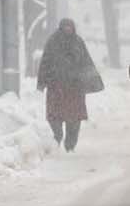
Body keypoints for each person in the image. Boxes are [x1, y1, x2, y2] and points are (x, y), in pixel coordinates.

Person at [36, 19, 98, 150]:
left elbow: (86, 62)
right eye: (65, 26)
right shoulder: (53, 42)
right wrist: (42, 82)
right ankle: (57, 136)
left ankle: (70, 145)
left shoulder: (78, 42)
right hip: (56, 86)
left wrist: (92, 81)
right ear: (61, 27)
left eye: (70, 26)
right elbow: (45, 62)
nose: (68, 29)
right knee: (54, 116)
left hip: (75, 88)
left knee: (74, 119)